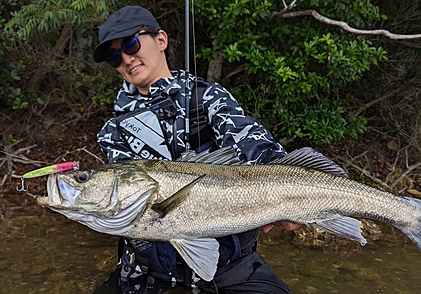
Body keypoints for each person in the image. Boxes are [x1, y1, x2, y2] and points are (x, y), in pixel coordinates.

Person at [92, 6, 303, 293]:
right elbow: (126, 207)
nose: (127, 59)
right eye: (114, 56)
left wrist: (290, 192)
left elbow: (253, 142)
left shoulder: (209, 97)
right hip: (147, 276)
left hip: (233, 269)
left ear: (161, 40)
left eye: (131, 44)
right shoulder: (113, 130)